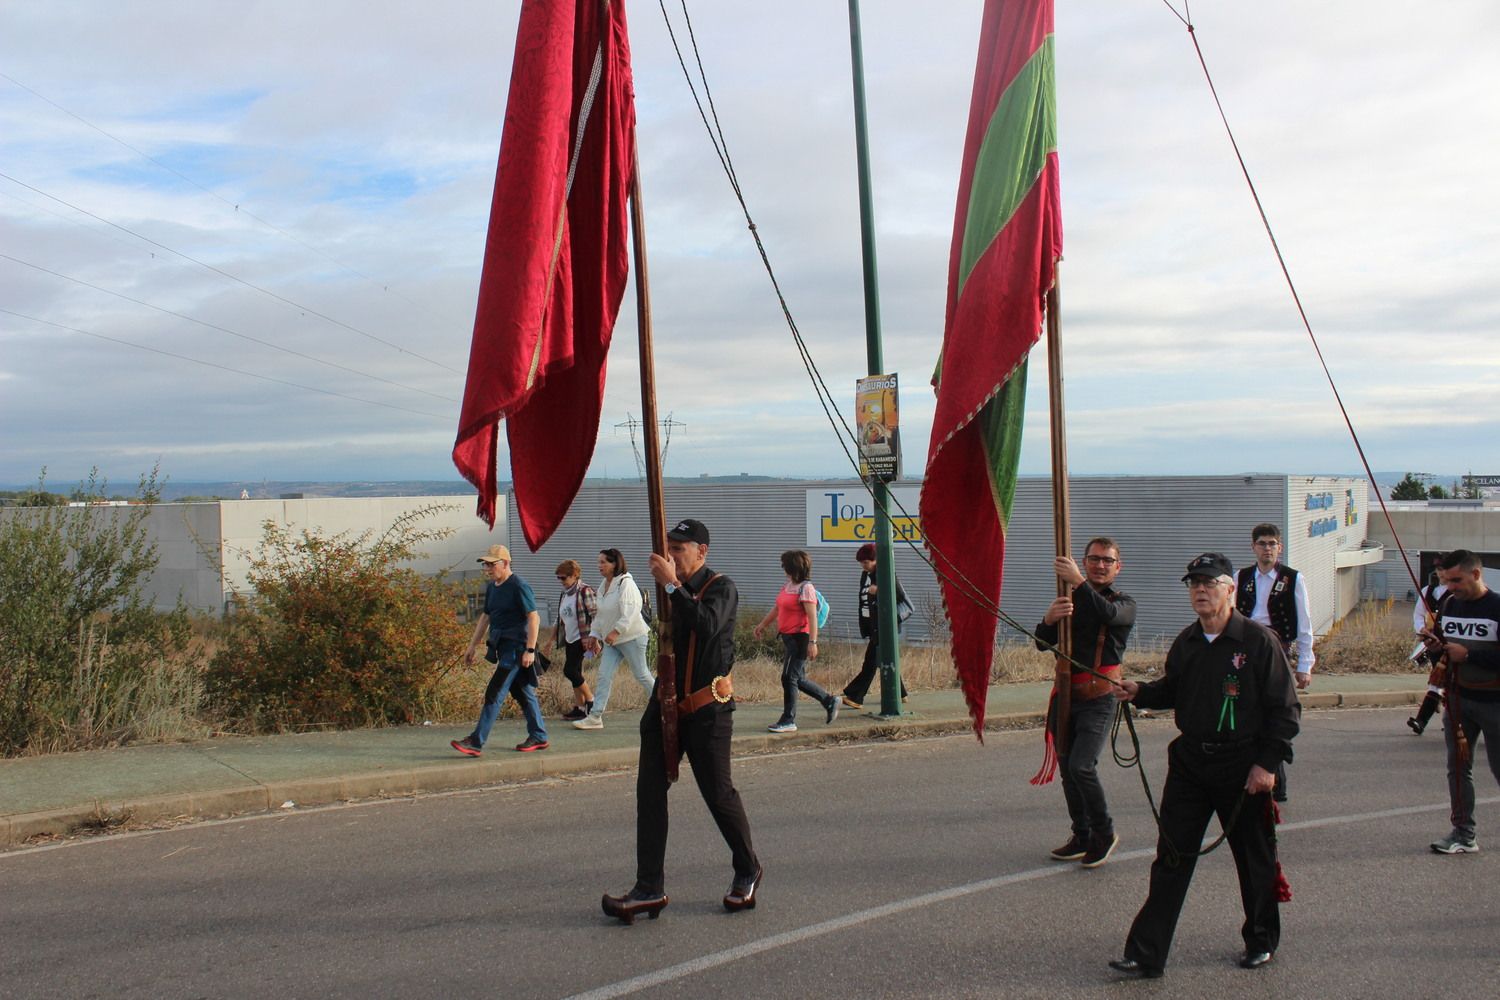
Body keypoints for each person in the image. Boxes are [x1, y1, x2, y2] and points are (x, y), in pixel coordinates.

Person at [1108, 553, 1299, 978]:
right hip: (1192, 763)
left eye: (1209, 583)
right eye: (1193, 583)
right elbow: (1174, 690)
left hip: (1243, 765)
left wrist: (1267, 765)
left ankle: (1261, 941)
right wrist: (1140, 691)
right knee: (1171, 858)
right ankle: (1146, 953)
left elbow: (1285, 712)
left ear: (1230, 589)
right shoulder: (1187, 642)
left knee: (1254, 860)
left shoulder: (1257, 642)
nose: (1199, 590)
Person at [601, 519, 761, 923]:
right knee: (650, 794)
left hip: (708, 709)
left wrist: (673, 585)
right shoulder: (667, 589)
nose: (672, 556)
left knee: (718, 794)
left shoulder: (721, 587)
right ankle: (648, 888)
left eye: (681, 549)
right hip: (665, 704)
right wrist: (667, 588)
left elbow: (705, 625)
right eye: (668, 549)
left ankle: (747, 869)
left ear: (702, 551)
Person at [1035, 537, 1136, 869]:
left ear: (1118, 567)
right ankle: (1081, 834)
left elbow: (1107, 613)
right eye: (1094, 559)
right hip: (1066, 696)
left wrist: (1078, 582)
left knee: (1082, 765)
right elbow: (1042, 642)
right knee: (1067, 769)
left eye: (1107, 560)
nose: (1100, 565)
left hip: (1099, 698)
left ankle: (1103, 834)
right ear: (1085, 560)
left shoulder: (1124, 602)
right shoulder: (1071, 598)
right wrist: (1049, 620)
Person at [1421, 549, 1500, 855]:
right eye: (1446, 580)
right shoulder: (1449, 604)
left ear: (1476, 574)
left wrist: (1469, 655)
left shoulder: (1496, 606)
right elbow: (1443, 651)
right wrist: (1435, 646)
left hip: (1494, 702)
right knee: (1457, 768)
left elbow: (1469, 652)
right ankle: (1463, 833)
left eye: (1457, 580)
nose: (1451, 587)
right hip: (1457, 699)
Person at [1235, 523, 1312, 802]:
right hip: (1244, 648)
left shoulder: (1293, 578)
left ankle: (1277, 779)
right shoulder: (1241, 577)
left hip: (1276, 649)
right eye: (1262, 543)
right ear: (1253, 546)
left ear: (1279, 547)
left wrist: (1305, 664)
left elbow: (1304, 623)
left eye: (1272, 543)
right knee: (1244, 709)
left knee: (1275, 711)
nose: (1267, 549)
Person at [452, 545, 548, 756]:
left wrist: (530, 650)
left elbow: (534, 617)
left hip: (516, 649)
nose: (487, 568)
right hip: (501, 647)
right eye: (485, 564)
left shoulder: (518, 586)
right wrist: (471, 646)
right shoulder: (493, 588)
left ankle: (476, 741)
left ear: (505, 563)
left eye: (491, 564)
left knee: (494, 692)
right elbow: (485, 617)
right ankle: (539, 735)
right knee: (523, 692)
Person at [753, 549, 839, 734]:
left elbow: (812, 617)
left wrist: (813, 642)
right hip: (788, 638)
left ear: (793, 567)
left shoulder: (806, 588)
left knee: (788, 677)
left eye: (785, 565)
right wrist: (762, 625)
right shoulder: (788, 585)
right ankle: (829, 700)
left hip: (801, 638)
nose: (783, 568)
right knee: (796, 678)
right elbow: (777, 608)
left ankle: (788, 719)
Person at [573, 548, 654, 731]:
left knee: (641, 674)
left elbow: (631, 611)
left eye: (604, 562)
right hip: (612, 642)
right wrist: (594, 635)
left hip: (632, 637)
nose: (599, 566)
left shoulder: (626, 583)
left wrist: (615, 632)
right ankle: (595, 716)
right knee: (604, 675)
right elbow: (600, 615)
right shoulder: (604, 585)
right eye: (599, 562)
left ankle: (665, 707)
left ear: (615, 563)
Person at [841, 542, 909, 710]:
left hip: (883, 625)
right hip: (872, 624)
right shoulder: (866, 575)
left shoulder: (885, 573)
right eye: (861, 563)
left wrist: (879, 590)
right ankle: (900, 693)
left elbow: (899, 595)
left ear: (876, 560)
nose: (863, 566)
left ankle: (856, 696)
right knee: (883, 657)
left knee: (870, 662)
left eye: (866, 562)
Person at [553, 560, 597, 721]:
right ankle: (580, 706)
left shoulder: (585, 591)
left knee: (569, 671)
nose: (561, 581)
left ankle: (591, 700)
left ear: (574, 575)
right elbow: (561, 618)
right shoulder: (565, 594)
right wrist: (551, 639)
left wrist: (595, 638)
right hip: (570, 638)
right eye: (558, 578)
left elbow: (595, 615)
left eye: (564, 578)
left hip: (582, 638)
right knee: (576, 672)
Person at [1407, 570, 1448, 735]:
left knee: (1447, 682)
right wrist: (1421, 629)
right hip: (1432, 644)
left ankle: (1424, 720)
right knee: (1438, 679)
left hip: (1452, 644)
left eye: (1444, 569)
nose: (1441, 573)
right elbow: (1418, 614)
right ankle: (1423, 720)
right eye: (1439, 570)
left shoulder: (1459, 592)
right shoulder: (1428, 591)